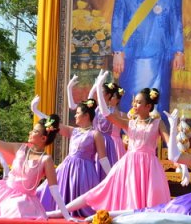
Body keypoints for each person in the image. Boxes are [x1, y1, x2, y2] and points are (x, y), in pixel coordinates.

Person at [48, 71, 171, 217]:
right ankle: (61, 211)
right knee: (102, 188)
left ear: (148, 106)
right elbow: (107, 115)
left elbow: (170, 145)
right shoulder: (130, 123)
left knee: (150, 202)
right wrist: (99, 87)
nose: (135, 104)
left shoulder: (158, 123)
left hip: (150, 166)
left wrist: (182, 165)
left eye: (138, 102)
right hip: (128, 164)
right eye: (134, 102)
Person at [111, 0, 184, 116]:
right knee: (131, 102)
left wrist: (179, 52)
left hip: (161, 57)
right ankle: (128, 140)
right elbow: (117, 22)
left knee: (158, 103)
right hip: (131, 57)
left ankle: (159, 140)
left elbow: (177, 23)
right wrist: (117, 51)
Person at [31, 95, 110, 217]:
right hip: (67, 169)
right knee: (43, 190)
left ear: (86, 115)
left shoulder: (95, 134)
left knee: (86, 202)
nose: (75, 115)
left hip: (85, 173)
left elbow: (103, 158)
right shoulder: (73, 131)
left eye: (77, 113)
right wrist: (35, 110)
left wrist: (111, 175)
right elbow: (53, 124)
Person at [68, 74, 118, 179]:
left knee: (105, 172)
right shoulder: (95, 109)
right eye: (98, 91)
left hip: (106, 143)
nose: (98, 94)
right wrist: (69, 88)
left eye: (101, 92)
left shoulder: (112, 111)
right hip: (92, 141)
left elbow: (105, 111)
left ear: (108, 95)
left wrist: (98, 86)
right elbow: (72, 106)